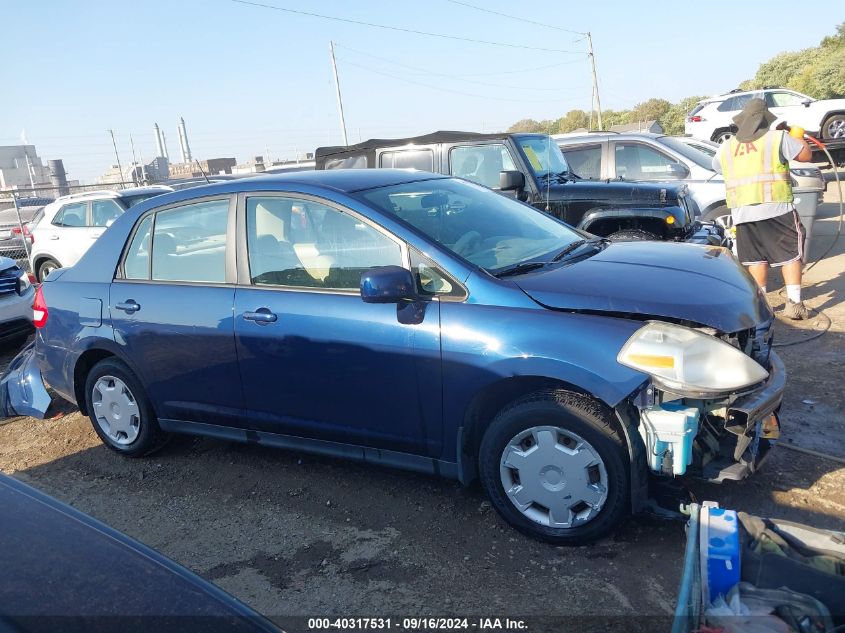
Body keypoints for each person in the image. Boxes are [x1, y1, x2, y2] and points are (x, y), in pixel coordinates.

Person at [712, 97, 814, 320]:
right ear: (765, 119)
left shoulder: (726, 146)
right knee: (790, 255)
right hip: (776, 208)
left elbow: (717, 166)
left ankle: (763, 307)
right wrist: (796, 136)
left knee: (755, 259)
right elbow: (806, 155)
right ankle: (794, 304)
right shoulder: (777, 137)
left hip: (743, 213)